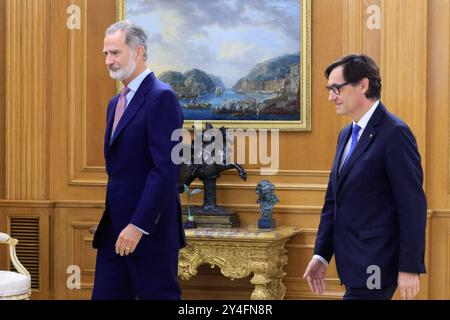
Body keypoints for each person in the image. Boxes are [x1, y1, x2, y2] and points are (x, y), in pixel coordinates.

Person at [303, 54, 427, 300]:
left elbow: (412, 205)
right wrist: (321, 255)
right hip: (350, 265)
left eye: (336, 88)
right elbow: (333, 201)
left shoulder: (395, 134)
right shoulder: (346, 134)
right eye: (329, 89)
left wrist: (410, 266)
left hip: (377, 264)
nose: (330, 96)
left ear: (363, 85)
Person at [91, 20, 185, 300]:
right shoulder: (115, 102)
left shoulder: (162, 97)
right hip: (114, 230)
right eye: (105, 54)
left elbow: (166, 169)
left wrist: (138, 225)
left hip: (149, 232)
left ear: (139, 52)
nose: (108, 61)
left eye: (115, 53)